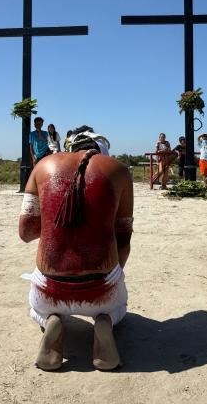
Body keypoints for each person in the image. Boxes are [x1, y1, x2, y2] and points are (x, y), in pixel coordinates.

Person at [19, 126, 132, 371]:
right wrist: (116, 273)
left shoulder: (43, 166)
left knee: (35, 308)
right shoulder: (119, 170)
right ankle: (105, 320)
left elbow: (25, 233)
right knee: (120, 308)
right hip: (102, 289)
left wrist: (54, 222)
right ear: (102, 150)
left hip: (48, 288)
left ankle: (50, 318)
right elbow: (123, 238)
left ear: (70, 148)